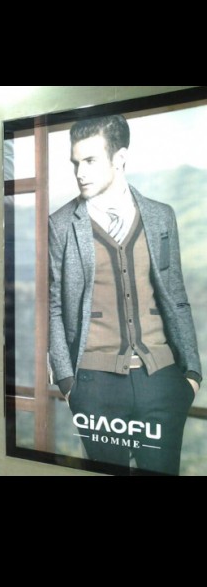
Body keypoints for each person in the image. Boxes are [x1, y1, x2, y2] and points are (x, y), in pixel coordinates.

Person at [49, 115, 202, 476]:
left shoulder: (161, 216)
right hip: (94, 386)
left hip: (162, 380)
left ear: (119, 158)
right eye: (75, 162)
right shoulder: (62, 224)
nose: (80, 173)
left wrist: (192, 373)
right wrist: (68, 383)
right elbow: (54, 307)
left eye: (90, 161)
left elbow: (176, 294)